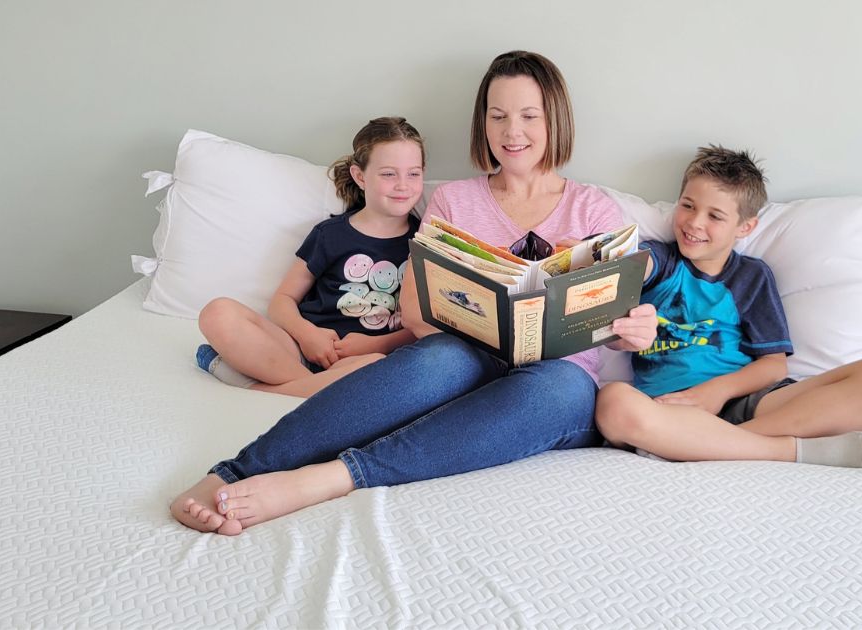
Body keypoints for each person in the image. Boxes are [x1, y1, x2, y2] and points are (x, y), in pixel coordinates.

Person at [171, 51, 659, 535]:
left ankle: (334, 478)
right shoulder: (453, 201)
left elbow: (614, 326)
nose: (513, 132)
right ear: (482, 123)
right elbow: (416, 313)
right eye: (498, 115)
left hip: (555, 378)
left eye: (529, 116)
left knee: (558, 390)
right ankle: (233, 472)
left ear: (554, 121)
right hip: (469, 357)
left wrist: (632, 331)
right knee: (436, 359)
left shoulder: (594, 209)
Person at [594, 145, 862, 467]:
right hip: (668, 407)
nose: (695, 223)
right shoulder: (662, 259)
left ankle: (701, 445)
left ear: (745, 227)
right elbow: (637, 267)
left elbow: (773, 364)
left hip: (748, 403)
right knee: (612, 402)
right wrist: (606, 261)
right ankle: (778, 450)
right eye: (688, 205)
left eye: (715, 216)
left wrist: (716, 392)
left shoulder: (751, 277)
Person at [193, 117, 422, 398]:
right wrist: (307, 335)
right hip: (296, 350)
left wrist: (377, 346)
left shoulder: (424, 242)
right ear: (360, 176)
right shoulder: (331, 234)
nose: (403, 185)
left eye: (414, 173)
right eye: (389, 174)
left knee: (378, 368)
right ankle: (307, 389)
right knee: (217, 313)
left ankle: (260, 389)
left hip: (361, 359)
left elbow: (422, 326)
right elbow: (282, 301)